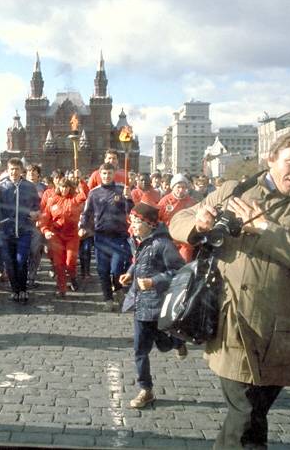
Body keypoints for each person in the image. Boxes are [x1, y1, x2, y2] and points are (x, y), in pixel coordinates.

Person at [169, 129, 290, 449]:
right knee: (247, 414)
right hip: (233, 323)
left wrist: (265, 229)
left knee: (251, 414)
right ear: (270, 159)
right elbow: (178, 220)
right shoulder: (236, 189)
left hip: (279, 333)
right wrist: (200, 221)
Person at [118, 202, 187, 408]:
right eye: (132, 220)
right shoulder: (137, 239)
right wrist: (130, 274)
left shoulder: (163, 244)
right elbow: (139, 261)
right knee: (140, 350)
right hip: (140, 303)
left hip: (158, 304)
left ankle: (177, 342)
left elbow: (179, 270)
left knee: (163, 345)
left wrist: (154, 281)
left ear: (149, 224)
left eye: (138, 221)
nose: (133, 224)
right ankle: (146, 390)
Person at [79, 163, 133, 311]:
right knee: (102, 271)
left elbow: (131, 211)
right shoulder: (94, 193)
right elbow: (86, 213)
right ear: (99, 175)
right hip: (101, 238)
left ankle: (118, 288)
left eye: (109, 173)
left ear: (114, 173)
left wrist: (129, 199)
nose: (106, 176)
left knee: (116, 270)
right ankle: (108, 299)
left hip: (119, 237)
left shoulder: (122, 190)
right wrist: (83, 227)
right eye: (104, 174)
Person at [0, 158, 40, 304]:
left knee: (21, 260)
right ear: (7, 170)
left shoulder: (29, 186)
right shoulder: (1, 186)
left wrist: (35, 213)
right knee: (10, 262)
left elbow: (36, 205)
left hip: (24, 229)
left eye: (17, 169)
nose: (14, 172)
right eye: (11, 169)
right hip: (6, 231)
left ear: (21, 170)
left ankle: (23, 289)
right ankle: (15, 290)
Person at [39, 171, 88, 296]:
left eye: (67, 187)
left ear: (70, 188)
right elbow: (45, 217)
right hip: (57, 236)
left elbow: (85, 194)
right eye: (62, 187)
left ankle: (72, 277)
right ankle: (61, 288)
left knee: (70, 261)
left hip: (72, 236)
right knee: (59, 263)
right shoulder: (53, 200)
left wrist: (81, 180)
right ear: (58, 187)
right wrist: (45, 230)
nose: (64, 189)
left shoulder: (75, 199)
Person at [158, 173, 197, 261]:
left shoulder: (192, 202)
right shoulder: (165, 201)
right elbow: (157, 219)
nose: (181, 190)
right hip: (168, 238)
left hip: (184, 240)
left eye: (183, 187)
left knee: (183, 264)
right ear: (173, 187)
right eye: (178, 187)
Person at [26, 164, 47, 289]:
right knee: (24, 251)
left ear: (38, 174)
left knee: (35, 251)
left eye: (33, 172)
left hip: (38, 224)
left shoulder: (43, 188)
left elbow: (47, 205)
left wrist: (41, 217)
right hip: (23, 223)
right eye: (29, 172)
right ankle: (24, 276)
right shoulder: (21, 186)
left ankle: (31, 277)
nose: (31, 174)